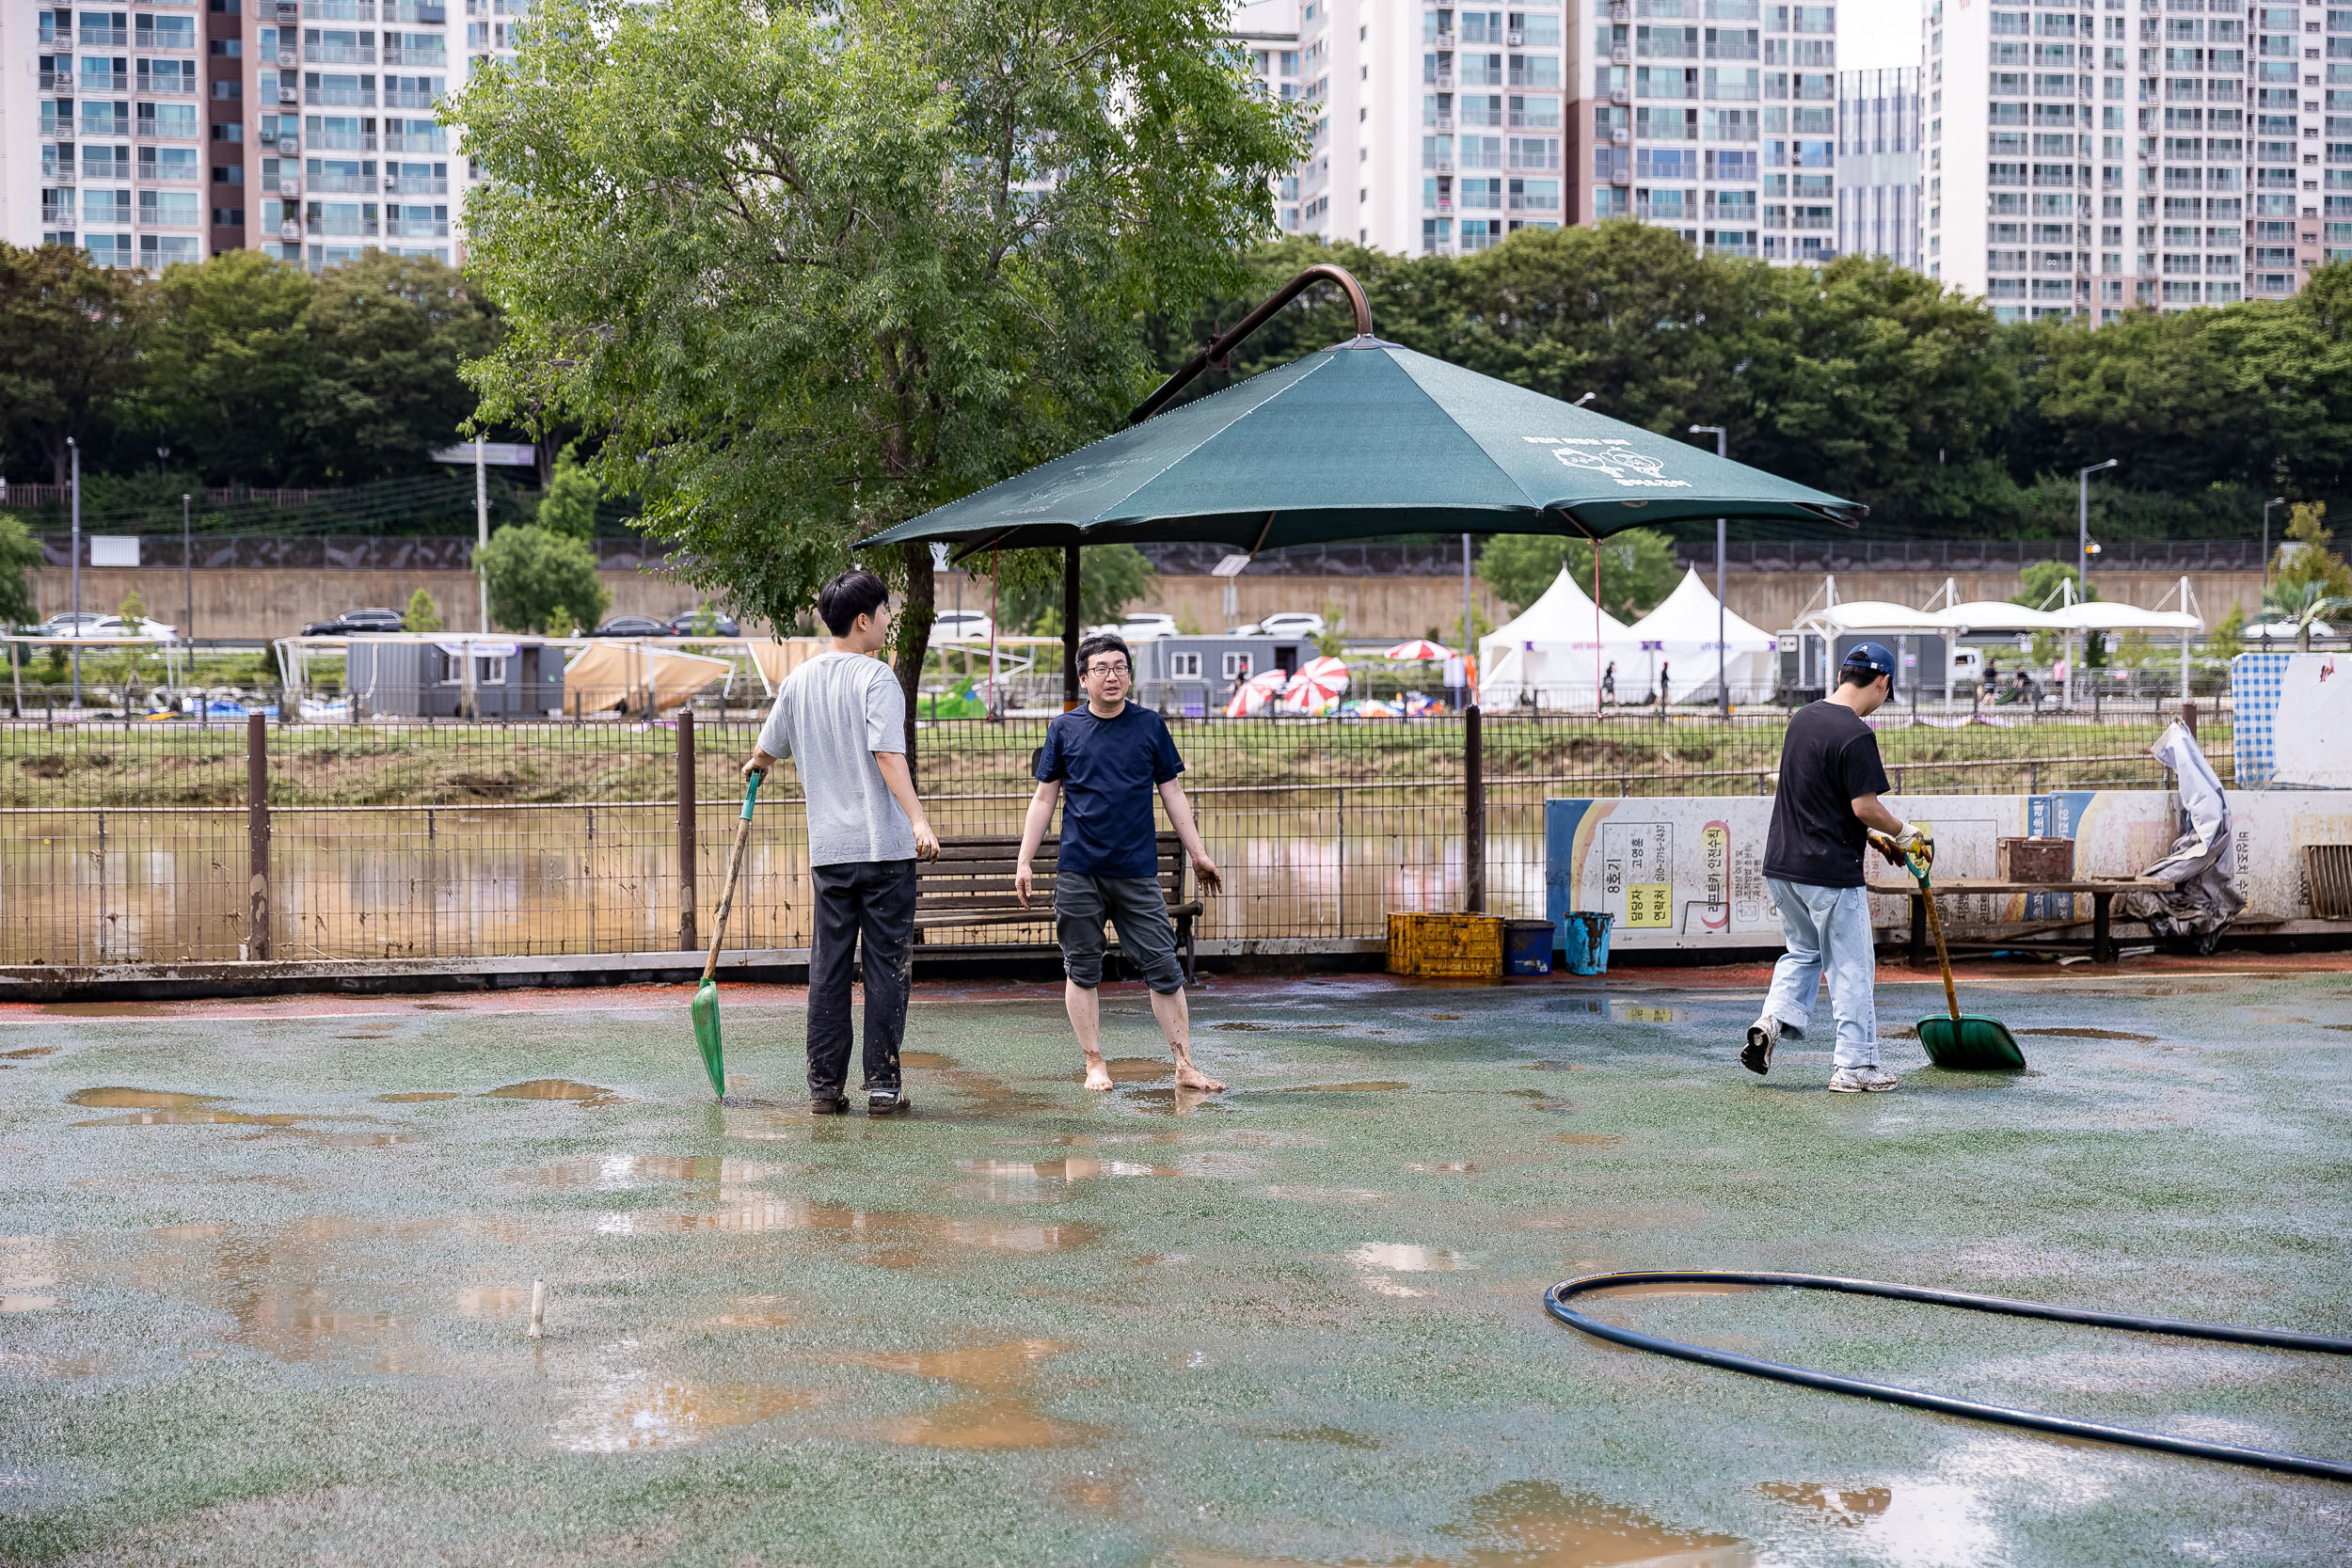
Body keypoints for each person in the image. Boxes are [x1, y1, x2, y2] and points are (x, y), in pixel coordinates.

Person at [743, 569, 940, 1117]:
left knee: (828, 968)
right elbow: (887, 754)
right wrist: (919, 821)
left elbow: (768, 748)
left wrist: (757, 765)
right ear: (862, 620)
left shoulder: (799, 680)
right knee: (885, 967)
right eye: (883, 612)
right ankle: (883, 1087)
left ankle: (825, 1089)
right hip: (884, 852)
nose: (886, 621)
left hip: (830, 853)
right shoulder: (876, 678)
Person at [1015, 633, 1225, 1094]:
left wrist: (1199, 854)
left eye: (1121, 667)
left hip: (1136, 873)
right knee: (1082, 968)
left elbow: (1172, 792)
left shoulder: (1149, 726)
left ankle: (1185, 1064)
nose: (1113, 676)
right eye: (1102, 669)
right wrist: (1025, 861)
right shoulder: (1064, 729)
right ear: (1084, 678)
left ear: (1129, 674)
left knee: (1165, 969)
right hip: (1079, 872)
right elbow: (1044, 797)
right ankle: (1094, 1063)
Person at [1742, 641, 1931, 1093]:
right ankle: (1855, 1066)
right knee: (1852, 966)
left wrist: (1874, 838)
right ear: (1883, 681)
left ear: (1845, 673)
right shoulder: (1857, 733)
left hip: (1784, 865)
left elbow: (1820, 799)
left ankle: (1770, 1022)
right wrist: (1905, 833)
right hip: (1828, 872)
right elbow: (1864, 805)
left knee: (1804, 952)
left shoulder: (1802, 719)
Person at [1442, 648, 1468, 714]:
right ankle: (1452, 709)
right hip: (1454, 681)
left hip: (1457, 681)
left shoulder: (1458, 661)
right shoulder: (1450, 661)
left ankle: (1457, 709)